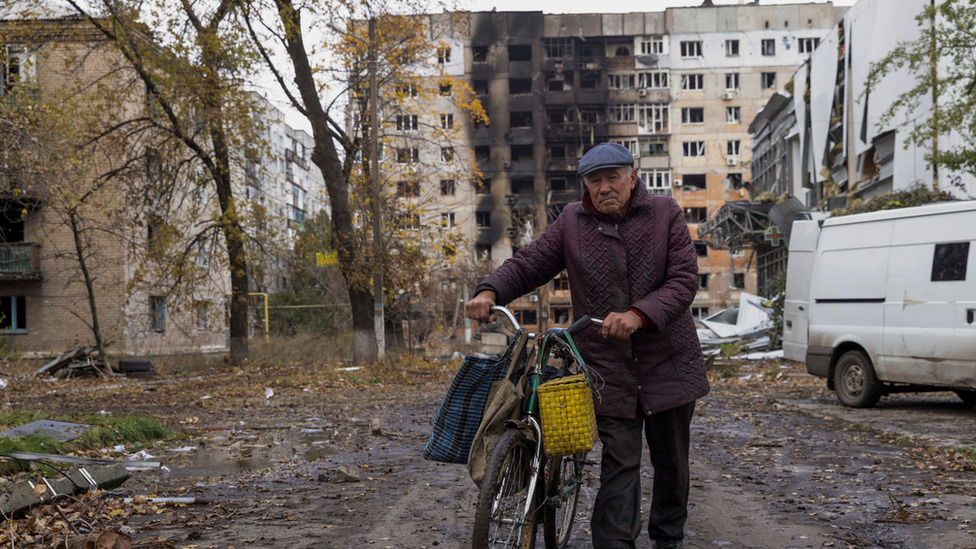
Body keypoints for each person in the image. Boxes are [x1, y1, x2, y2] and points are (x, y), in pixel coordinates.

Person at [464, 142, 709, 549]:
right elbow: (531, 263)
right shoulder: (572, 222)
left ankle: (668, 539)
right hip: (606, 369)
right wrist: (491, 290)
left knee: (671, 465)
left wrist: (638, 315)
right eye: (594, 180)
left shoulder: (666, 213)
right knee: (620, 463)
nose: (603, 187)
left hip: (668, 362)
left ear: (632, 177)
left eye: (612, 177)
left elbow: (684, 281)